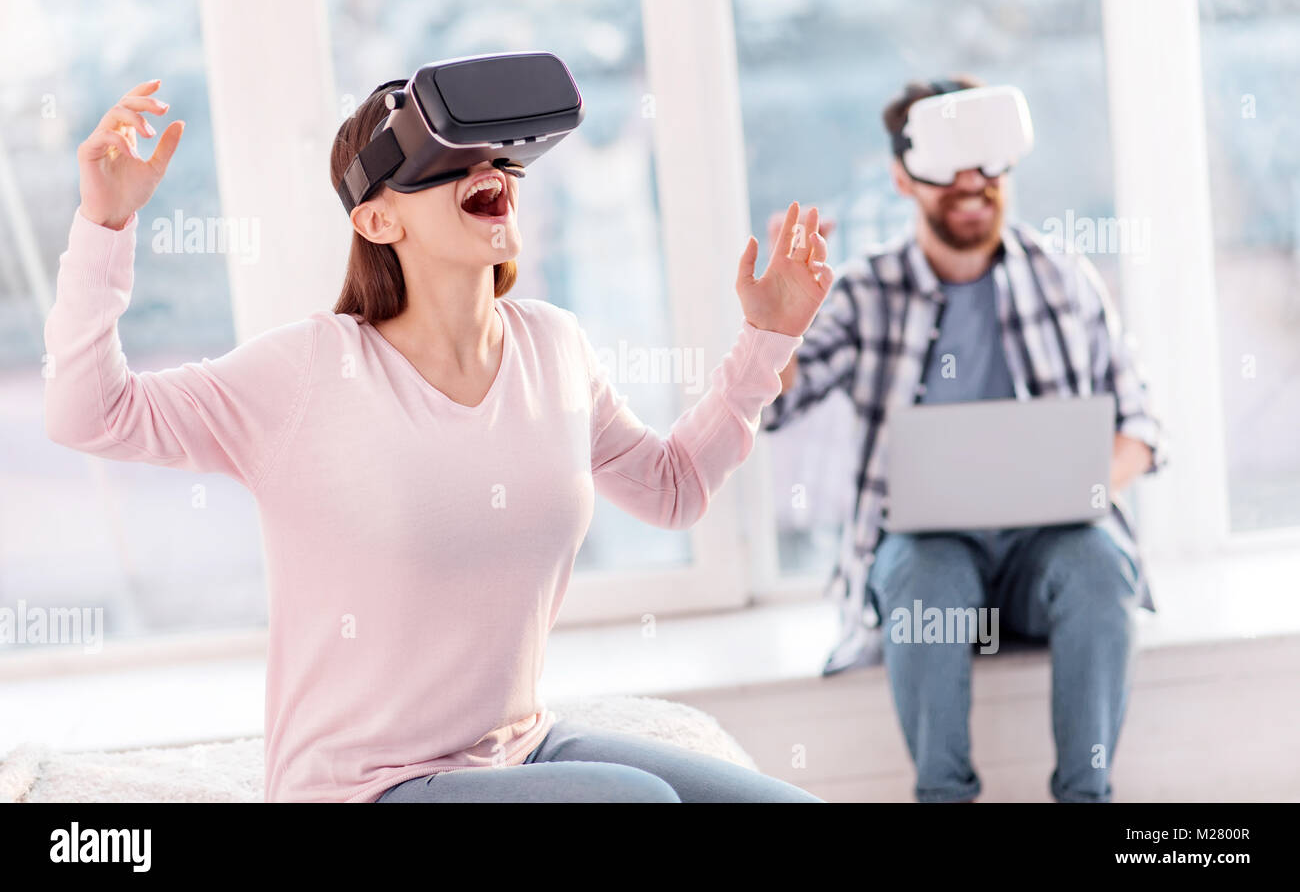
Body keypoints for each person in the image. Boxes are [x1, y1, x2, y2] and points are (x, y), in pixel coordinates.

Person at [44, 76, 834, 803]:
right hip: (365, 785)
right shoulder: (311, 369)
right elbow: (92, 412)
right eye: (447, 159)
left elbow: (673, 490)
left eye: (492, 155)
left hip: (522, 749)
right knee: (636, 803)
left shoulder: (553, 346)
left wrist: (766, 339)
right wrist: (104, 224)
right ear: (377, 219)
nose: (485, 168)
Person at [762, 77, 1167, 803]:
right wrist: (776, 328)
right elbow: (770, 407)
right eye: (950, 163)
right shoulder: (865, 291)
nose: (972, 183)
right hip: (930, 554)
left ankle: (1087, 795)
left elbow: (1141, 423)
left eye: (987, 160)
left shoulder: (1063, 277)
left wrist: (1085, 483)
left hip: (1049, 548)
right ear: (902, 175)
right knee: (924, 575)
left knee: (1102, 564)